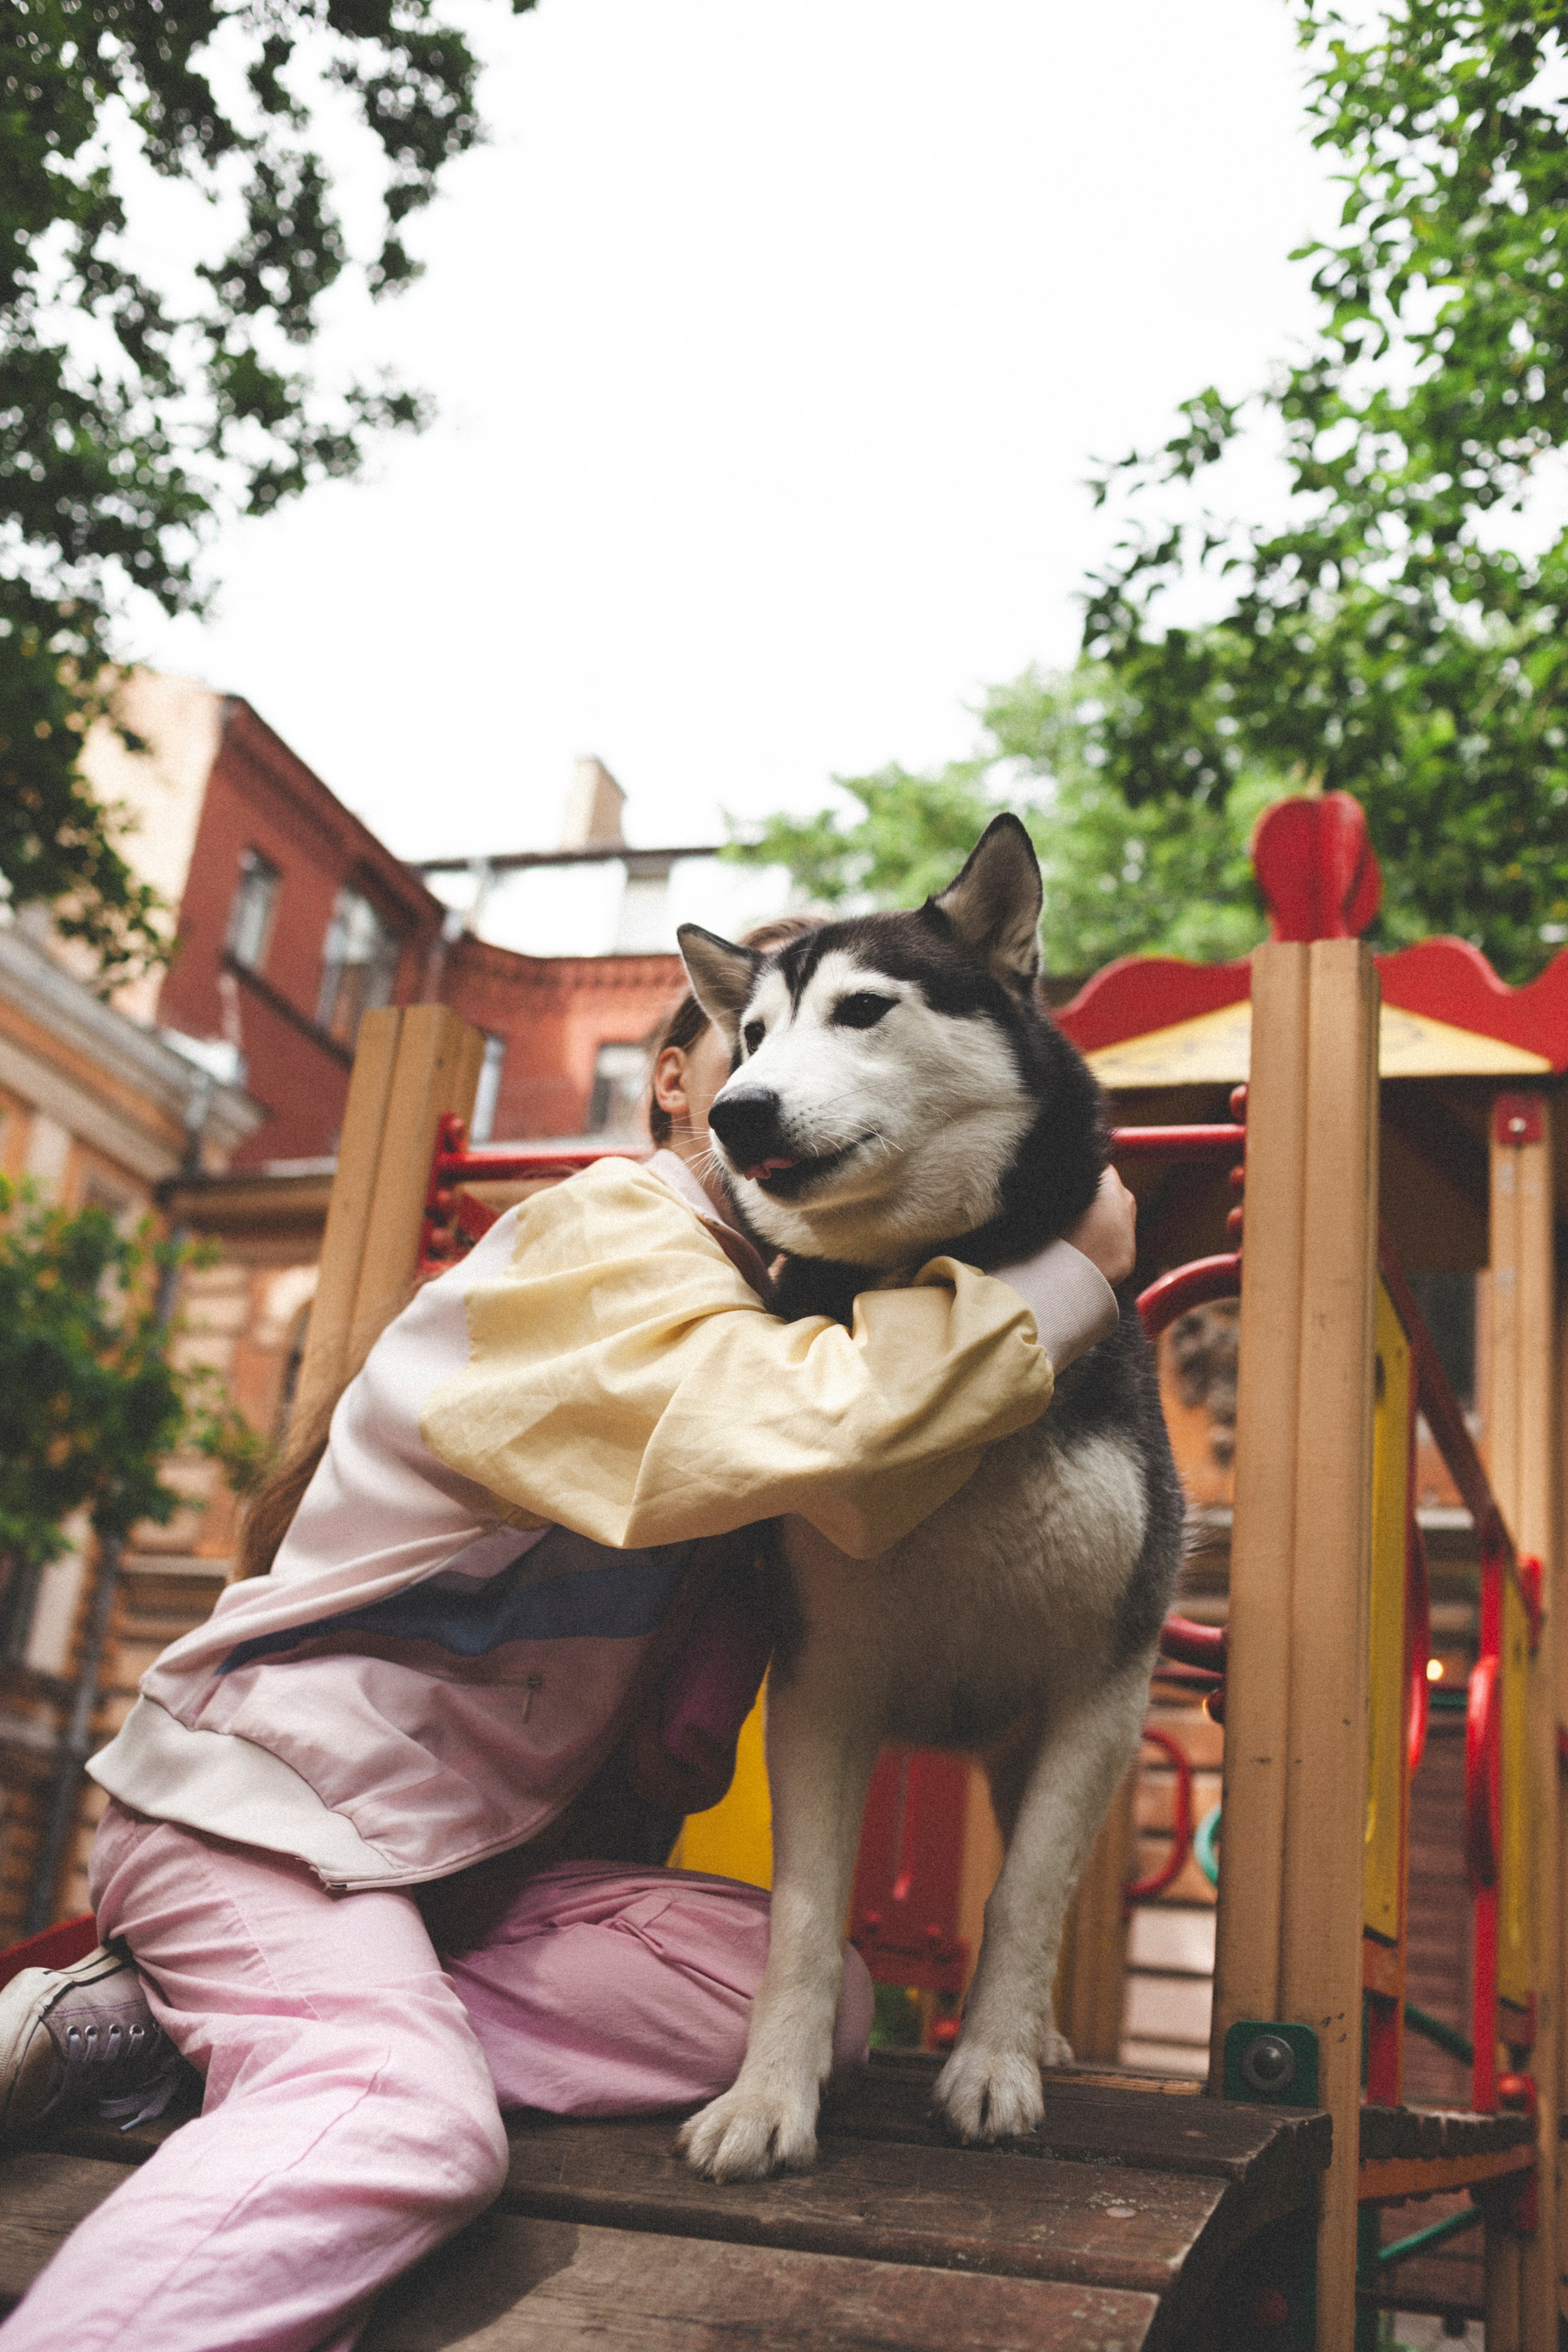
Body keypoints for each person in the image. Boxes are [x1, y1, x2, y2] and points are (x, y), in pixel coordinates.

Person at [0, 919, 1137, 2352]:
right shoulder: (608, 1235)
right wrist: (1075, 1272)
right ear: (671, 1083)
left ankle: (171, 2034)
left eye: (845, 1022)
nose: (778, 1076)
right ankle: (301, 2082)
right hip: (273, 1822)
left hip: (447, 1886)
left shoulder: (759, 1298)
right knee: (395, 2119)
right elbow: (825, 1439)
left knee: (807, 2008)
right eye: (749, 1032)